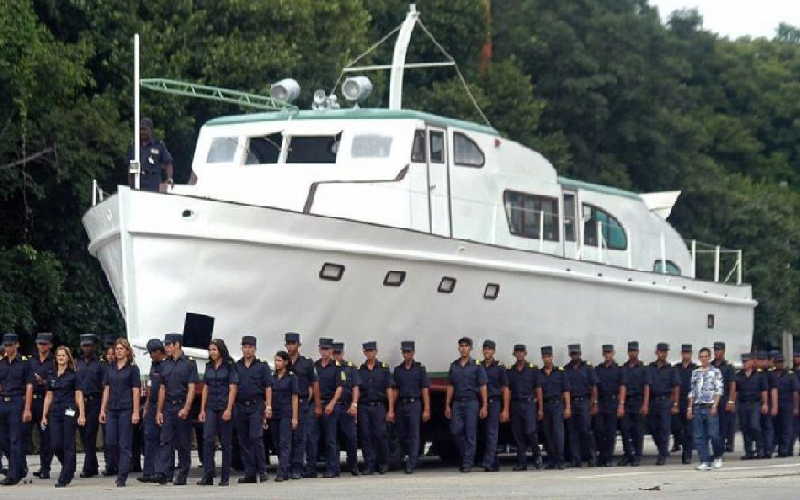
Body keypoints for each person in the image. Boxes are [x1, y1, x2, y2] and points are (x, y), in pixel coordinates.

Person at [155, 332, 198, 485]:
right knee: (165, 441)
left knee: (183, 443)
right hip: (168, 406)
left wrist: (186, 408)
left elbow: (192, 388)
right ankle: (165, 473)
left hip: (181, 405)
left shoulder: (189, 364)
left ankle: (183, 473)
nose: (166, 348)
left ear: (177, 345)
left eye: (169, 345)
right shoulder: (164, 364)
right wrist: (159, 411)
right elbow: (162, 389)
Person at [41, 346, 86, 487]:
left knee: (68, 444)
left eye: (63, 355)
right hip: (55, 412)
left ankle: (65, 477)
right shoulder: (51, 374)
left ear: (68, 358)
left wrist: (82, 414)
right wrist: (44, 415)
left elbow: (79, 395)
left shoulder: (74, 374)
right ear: (56, 358)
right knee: (55, 444)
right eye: (59, 355)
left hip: (69, 410)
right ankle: (69, 465)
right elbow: (48, 396)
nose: (61, 358)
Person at [99, 338, 141, 487]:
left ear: (127, 351)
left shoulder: (133, 369)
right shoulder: (110, 368)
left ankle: (122, 476)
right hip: (112, 409)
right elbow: (107, 389)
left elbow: (136, 391)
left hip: (126, 409)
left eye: (121, 348)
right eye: (117, 349)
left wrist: (136, 412)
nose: (118, 351)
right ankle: (118, 466)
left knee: (124, 444)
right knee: (110, 442)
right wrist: (102, 409)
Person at [198, 339, 239, 486]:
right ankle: (208, 475)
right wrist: (202, 409)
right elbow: (206, 388)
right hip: (211, 407)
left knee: (226, 442)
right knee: (208, 439)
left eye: (214, 349)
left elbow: (233, 388)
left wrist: (229, 408)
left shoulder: (229, 366)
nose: (211, 352)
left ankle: (225, 477)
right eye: (210, 350)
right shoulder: (209, 366)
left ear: (221, 350)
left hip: (224, 406)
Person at [445, 337, 488, 473]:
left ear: (470, 348)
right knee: (455, 431)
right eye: (461, 346)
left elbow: (483, 386)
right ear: (458, 348)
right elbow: (450, 386)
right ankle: (466, 457)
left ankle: (467, 463)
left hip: (471, 403)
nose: (463, 348)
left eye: (466, 346)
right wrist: (447, 405)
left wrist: (484, 405)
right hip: (457, 403)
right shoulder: (454, 365)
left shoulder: (476, 365)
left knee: (470, 433)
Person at [234, 335, 271, 483]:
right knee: (243, 440)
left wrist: (268, 406)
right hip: (240, 406)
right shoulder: (237, 366)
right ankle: (249, 473)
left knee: (256, 437)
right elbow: (233, 387)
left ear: (255, 349)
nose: (247, 350)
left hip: (256, 405)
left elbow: (268, 386)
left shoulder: (262, 366)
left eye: (250, 347)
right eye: (245, 347)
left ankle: (262, 470)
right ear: (242, 348)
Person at [391, 340, 431, 474]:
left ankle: (411, 463)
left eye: (409, 352)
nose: (407, 354)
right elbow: (395, 390)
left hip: (415, 404)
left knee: (414, 434)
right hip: (401, 404)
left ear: (413, 353)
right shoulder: (398, 370)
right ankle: (402, 457)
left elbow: (424, 389)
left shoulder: (420, 369)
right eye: (404, 352)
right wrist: (391, 409)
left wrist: (427, 409)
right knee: (401, 434)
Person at [0, 333, 33, 486]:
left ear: (17, 345)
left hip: (17, 402)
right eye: (5, 345)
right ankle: (19, 466)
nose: (7, 348)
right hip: (2, 402)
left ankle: (13, 475)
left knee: (15, 439)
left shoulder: (24, 363)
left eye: (10, 345)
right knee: (3, 439)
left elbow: (29, 386)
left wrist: (27, 409)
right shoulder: (1, 363)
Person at [357, 341, 394, 475]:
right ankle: (369, 465)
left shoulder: (383, 369)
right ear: (364, 352)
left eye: (372, 351)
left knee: (380, 435)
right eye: (367, 351)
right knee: (366, 436)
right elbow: (358, 390)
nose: (369, 353)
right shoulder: (360, 370)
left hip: (379, 406)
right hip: (364, 407)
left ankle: (383, 463)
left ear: (376, 352)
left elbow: (389, 389)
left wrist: (390, 409)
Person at [307, 337, 342, 478]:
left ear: (332, 350)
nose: (324, 351)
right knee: (312, 438)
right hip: (316, 405)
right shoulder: (314, 366)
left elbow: (340, 388)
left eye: (327, 349)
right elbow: (311, 386)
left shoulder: (337, 367)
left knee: (330, 439)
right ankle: (311, 469)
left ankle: (332, 469)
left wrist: (332, 404)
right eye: (322, 349)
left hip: (330, 406)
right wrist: (314, 405)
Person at [506, 344, 543, 471]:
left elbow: (538, 389)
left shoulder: (533, 369)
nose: (520, 354)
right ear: (514, 354)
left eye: (522, 352)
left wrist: (540, 408)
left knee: (530, 431)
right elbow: (508, 390)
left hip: (528, 404)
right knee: (518, 434)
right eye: (517, 352)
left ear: (525, 353)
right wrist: (507, 408)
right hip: (515, 404)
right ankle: (522, 462)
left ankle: (537, 455)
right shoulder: (510, 371)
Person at [285, 332, 316, 479]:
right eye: (288, 344)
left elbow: (313, 384)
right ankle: (286, 466)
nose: (291, 346)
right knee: (285, 437)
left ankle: (297, 467)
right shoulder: (282, 362)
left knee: (300, 437)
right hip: (285, 404)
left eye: (293, 343)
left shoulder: (307, 363)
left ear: (299, 345)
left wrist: (311, 402)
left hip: (303, 403)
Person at [686, 347, 723, 471]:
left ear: (709, 357)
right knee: (699, 436)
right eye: (701, 356)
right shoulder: (695, 372)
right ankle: (705, 460)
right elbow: (692, 391)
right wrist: (689, 408)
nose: (704, 358)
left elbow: (719, 390)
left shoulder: (716, 372)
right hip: (697, 407)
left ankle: (717, 456)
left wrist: (715, 405)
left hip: (710, 406)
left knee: (714, 434)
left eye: (706, 356)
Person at [266, 351, 299, 482]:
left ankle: (282, 471)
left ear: (286, 362)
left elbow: (295, 397)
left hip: (286, 413)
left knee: (284, 442)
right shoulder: (272, 376)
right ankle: (286, 466)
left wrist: (295, 417)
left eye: (279, 360)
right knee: (276, 442)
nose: (277, 363)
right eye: (275, 360)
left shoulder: (291, 377)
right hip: (274, 413)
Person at [563, 343, 598, 467]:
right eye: (572, 353)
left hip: (584, 402)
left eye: (576, 353)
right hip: (572, 402)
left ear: (580, 353)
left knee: (586, 431)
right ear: (569, 354)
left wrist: (594, 403)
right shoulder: (566, 369)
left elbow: (594, 387)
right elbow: (565, 389)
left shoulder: (588, 368)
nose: (574, 355)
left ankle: (591, 457)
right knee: (572, 433)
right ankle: (575, 459)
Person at [75, 334, 104, 478]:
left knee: (90, 435)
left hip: (94, 401)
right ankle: (93, 464)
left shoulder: (99, 364)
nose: (87, 348)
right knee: (83, 434)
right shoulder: (76, 363)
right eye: (84, 345)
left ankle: (88, 467)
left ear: (94, 346)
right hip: (79, 402)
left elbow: (104, 386)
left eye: (89, 345)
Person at [139, 339, 166, 483]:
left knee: (162, 439)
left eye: (151, 353)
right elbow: (150, 385)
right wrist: (147, 405)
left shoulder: (166, 365)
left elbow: (164, 388)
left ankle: (161, 471)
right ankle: (148, 472)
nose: (150, 356)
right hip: (152, 404)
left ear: (158, 352)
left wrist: (159, 410)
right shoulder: (153, 365)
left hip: (164, 406)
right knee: (149, 437)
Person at [594, 344, 626, 467]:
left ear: (613, 353)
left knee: (611, 432)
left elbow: (622, 387)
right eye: (605, 353)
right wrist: (595, 402)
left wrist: (621, 405)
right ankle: (601, 456)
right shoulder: (599, 369)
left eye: (609, 352)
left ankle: (608, 458)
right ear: (603, 354)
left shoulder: (618, 369)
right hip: (601, 403)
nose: (607, 355)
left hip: (613, 403)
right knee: (599, 431)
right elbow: (595, 387)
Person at [648, 343, 680, 465]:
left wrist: (675, 404)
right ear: (657, 352)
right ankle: (662, 448)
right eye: (661, 351)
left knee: (664, 429)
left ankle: (662, 454)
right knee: (653, 428)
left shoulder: (671, 369)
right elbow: (647, 385)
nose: (663, 354)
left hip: (666, 401)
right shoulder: (651, 368)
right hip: (653, 401)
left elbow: (676, 387)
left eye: (665, 351)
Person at [479, 339, 509, 472]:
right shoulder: (478, 366)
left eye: (490, 349)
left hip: (494, 402)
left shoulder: (499, 367)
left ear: (494, 351)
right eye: (485, 349)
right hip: (480, 403)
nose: (487, 351)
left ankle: (488, 462)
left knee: (492, 433)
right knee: (483, 434)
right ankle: (494, 461)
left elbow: (505, 389)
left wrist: (505, 409)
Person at [29, 332, 55, 479]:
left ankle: (45, 468)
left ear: (50, 345)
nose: (41, 346)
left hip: (46, 400)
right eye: (39, 343)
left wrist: (44, 382)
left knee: (46, 437)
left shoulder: (54, 362)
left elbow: (57, 381)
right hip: (31, 401)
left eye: (44, 344)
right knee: (23, 433)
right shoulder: (31, 361)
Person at [619, 341, 650, 467]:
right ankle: (628, 455)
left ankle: (637, 456)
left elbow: (646, 387)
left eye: (634, 351)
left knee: (638, 431)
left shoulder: (643, 368)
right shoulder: (624, 368)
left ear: (638, 352)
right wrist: (621, 404)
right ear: (628, 352)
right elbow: (623, 386)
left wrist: (645, 404)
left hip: (639, 401)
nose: (632, 353)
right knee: (625, 430)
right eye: (630, 351)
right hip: (627, 402)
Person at [540, 345, 571, 469]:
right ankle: (552, 460)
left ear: (552, 357)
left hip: (557, 405)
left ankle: (560, 460)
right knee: (548, 434)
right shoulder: (539, 373)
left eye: (548, 356)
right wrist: (540, 408)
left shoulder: (560, 372)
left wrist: (568, 407)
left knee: (558, 433)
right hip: (546, 405)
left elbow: (566, 391)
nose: (546, 359)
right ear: (542, 358)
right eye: (544, 357)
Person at [332, 342, 360, 476]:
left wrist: (354, 404)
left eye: (339, 353)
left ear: (343, 353)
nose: (336, 355)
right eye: (334, 353)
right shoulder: (324, 367)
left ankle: (353, 465)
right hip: (331, 407)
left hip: (346, 406)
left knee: (351, 438)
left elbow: (355, 387)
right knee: (332, 439)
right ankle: (335, 468)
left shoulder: (350, 368)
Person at [128, 117, 174, 192]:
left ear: (151, 130)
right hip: (139, 184)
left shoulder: (158, 146)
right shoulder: (135, 147)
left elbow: (168, 163)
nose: (142, 132)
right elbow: (132, 169)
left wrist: (169, 178)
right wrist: (131, 186)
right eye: (140, 129)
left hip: (154, 185)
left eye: (144, 129)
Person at [736, 353, 768, 460]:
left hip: (755, 403)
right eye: (743, 361)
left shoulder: (759, 375)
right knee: (745, 428)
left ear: (752, 362)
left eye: (746, 361)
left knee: (755, 425)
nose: (744, 363)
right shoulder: (739, 375)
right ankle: (748, 451)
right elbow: (735, 391)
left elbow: (764, 391)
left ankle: (760, 449)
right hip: (743, 404)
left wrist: (765, 403)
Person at [770, 354, 798, 457]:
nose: (779, 364)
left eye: (781, 362)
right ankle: (775, 448)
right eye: (777, 362)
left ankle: (784, 450)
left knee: (787, 428)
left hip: (787, 404)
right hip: (774, 405)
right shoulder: (771, 374)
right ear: (774, 363)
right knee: (776, 428)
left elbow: (795, 392)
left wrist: (795, 407)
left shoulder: (790, 375)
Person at [675, 344, 697, 464]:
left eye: (688, 353)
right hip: (679, 400)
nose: (686, 355)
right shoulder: (677, 368)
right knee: (678, 428)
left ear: (691, 354)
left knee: (689, 430)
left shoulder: (695, 368)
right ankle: (680, 445)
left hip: (691, 401)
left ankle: (687, 454)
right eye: (684, 353)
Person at [712, 342, 737, 452]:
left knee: (723, 425)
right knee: (713, 426)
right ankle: (716, 447)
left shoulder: (728, 367)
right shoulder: (710, 365)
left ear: (724, 351)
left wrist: (731, 401)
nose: (717, 352)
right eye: (716, 350)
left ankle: (720, 449)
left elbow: (732, 385)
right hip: (712, 399)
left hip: (724, 398)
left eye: (719, 350)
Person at [101, 338, 118, 476]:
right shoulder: (104, 368)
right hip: (106, 405)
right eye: (109, 354)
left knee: (119, 439)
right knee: (108, 439)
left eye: (113, 353)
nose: (111, 356)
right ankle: (109, 464)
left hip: (119, 405)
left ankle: (118, 464)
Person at [755, 351, 776, 458]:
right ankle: (760, 449)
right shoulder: (755, 373)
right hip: (756, 404)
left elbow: (773, 390)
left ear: (767, 361)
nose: (761, 362)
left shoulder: (770, 373)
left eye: (763, 360)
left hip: (768, 403)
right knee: (758, 427)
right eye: (759, 359)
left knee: (767, 427)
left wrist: (774, 406)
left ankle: (768, 450)